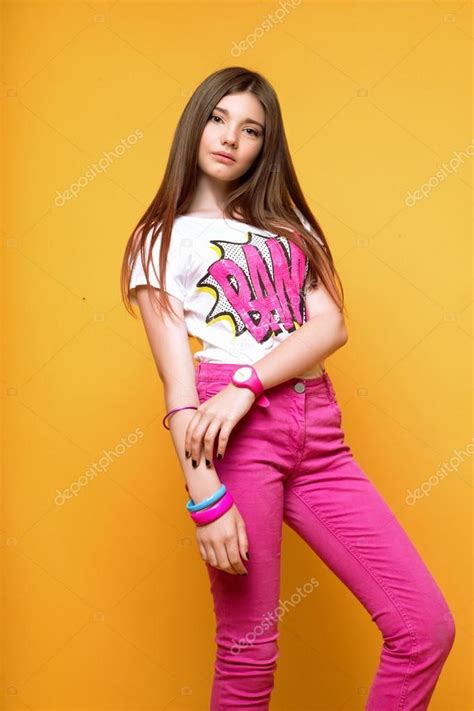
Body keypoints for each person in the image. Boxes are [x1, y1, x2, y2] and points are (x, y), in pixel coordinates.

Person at [121, 67, 455, 710]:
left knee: (424, 628)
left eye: (251, 130)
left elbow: (330, 326)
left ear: (264, 146)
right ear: (194, 124)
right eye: (217, 119)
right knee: (249, 652)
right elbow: (180, 390)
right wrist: (206, 500)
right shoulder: (159, 239)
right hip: (232, 438)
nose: (229, 139)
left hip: (315, 428)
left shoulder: (288, 221)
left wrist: (249, 381)